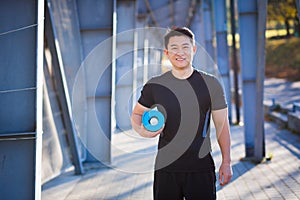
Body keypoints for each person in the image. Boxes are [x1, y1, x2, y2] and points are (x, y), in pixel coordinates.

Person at [131, 26, 232, 200]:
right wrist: (143, 132)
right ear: (166, 52)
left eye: (185, 47)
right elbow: (136, 114)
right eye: (174, 48)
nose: (180, 52)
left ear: (193, 49)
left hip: (200, 168)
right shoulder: (155, 85)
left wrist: (227, 162)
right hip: (166, 169)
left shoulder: (211, 84)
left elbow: (222, 127)